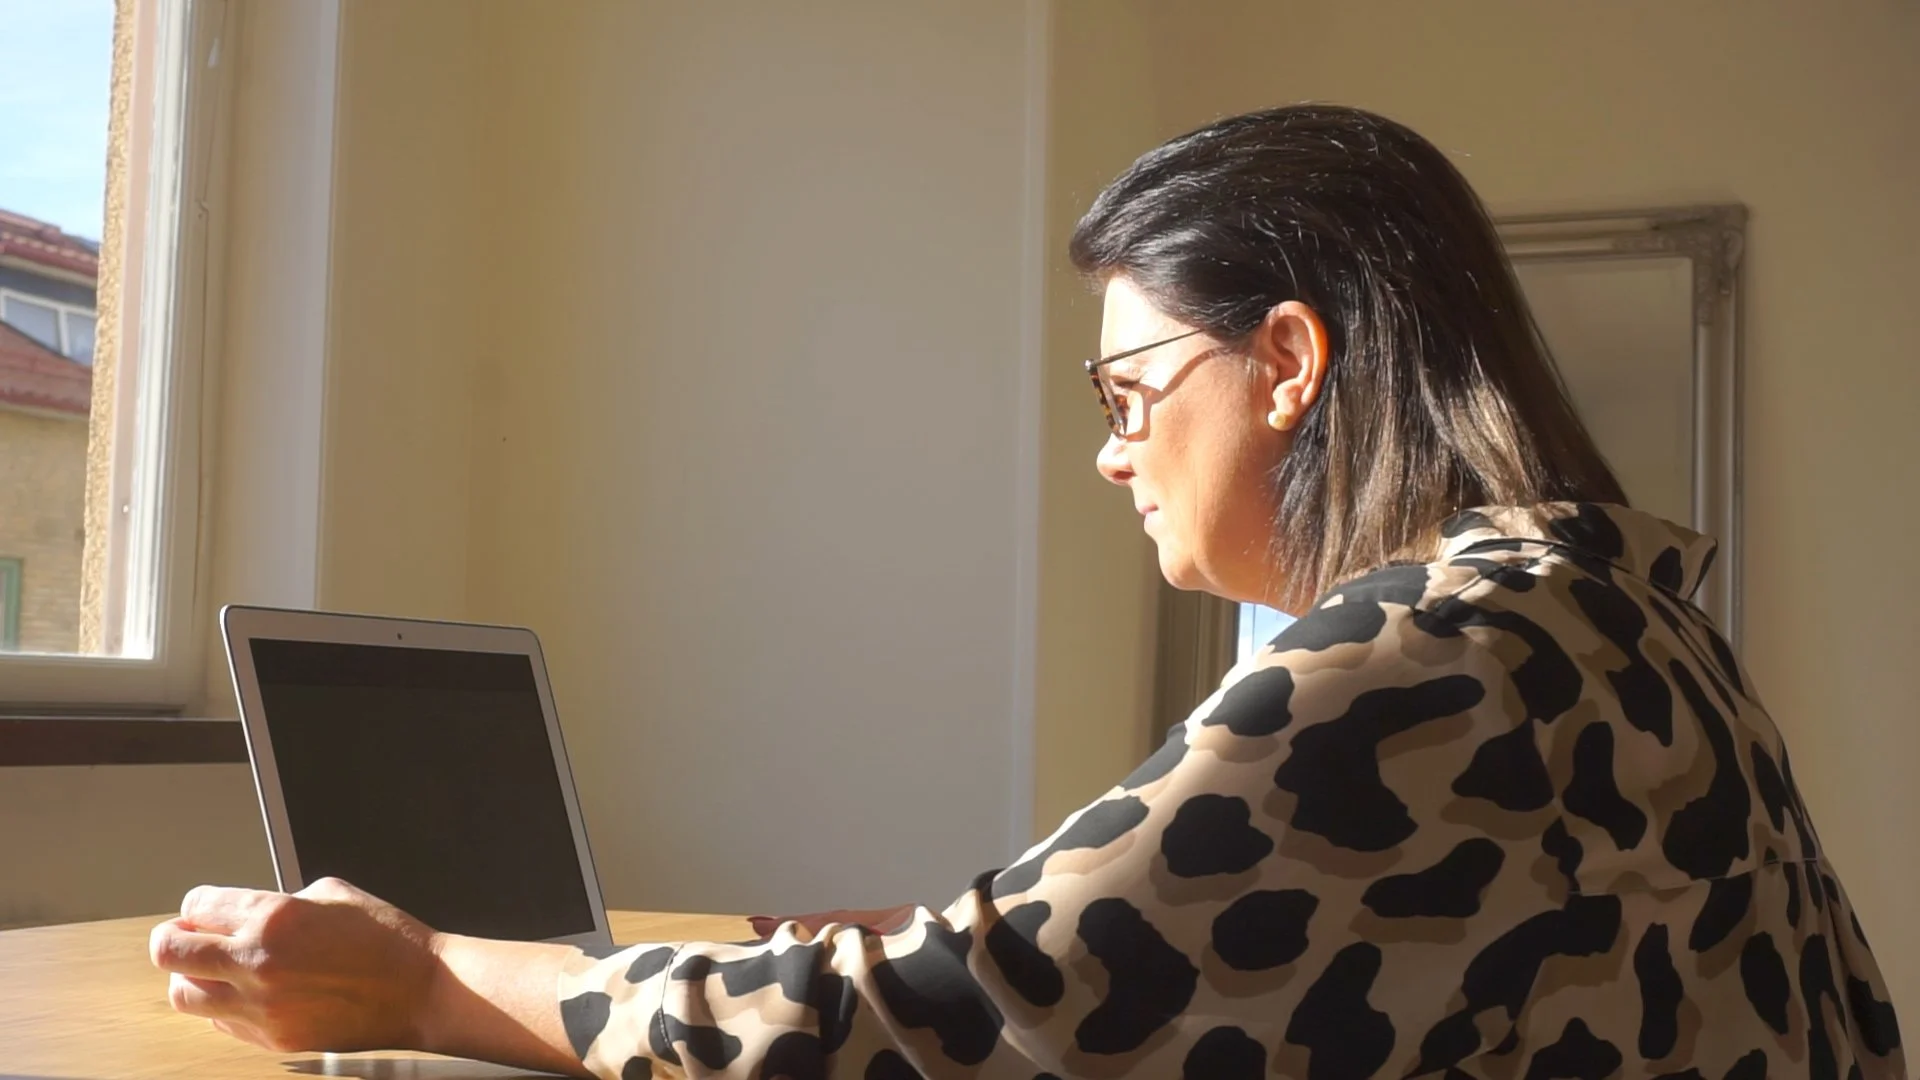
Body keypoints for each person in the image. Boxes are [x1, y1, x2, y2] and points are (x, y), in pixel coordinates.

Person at [150, 104, 1905, 1079]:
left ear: (1286, 363)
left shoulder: (1431, 661)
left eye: (1130, 394)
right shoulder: (1613, 615)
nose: (1112, 455)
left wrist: (427, 979)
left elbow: (920, 1049)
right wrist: (958, 952)